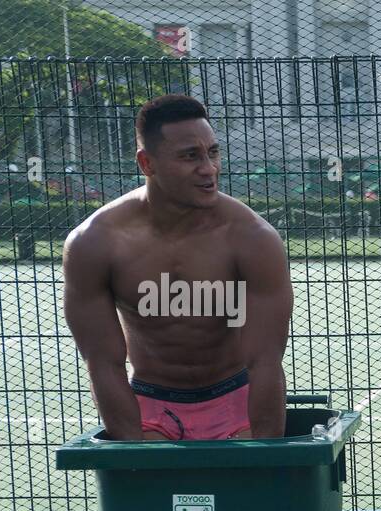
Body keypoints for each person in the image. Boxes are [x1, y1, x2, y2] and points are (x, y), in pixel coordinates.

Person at [62, 94, 291, 440]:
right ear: (147, 163)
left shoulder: (253, 238)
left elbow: (266, 361)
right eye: (190, 156)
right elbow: (103, 363)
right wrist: (133, 454)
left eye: (213, 152)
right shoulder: (94, 242)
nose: (208, 169)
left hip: (236, 405)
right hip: (150, 409)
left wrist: (268, 456)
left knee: (242, 492)